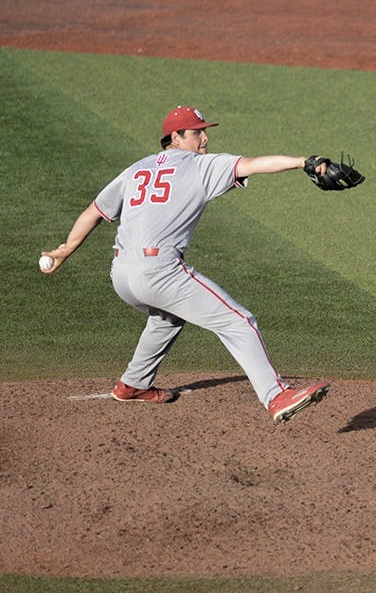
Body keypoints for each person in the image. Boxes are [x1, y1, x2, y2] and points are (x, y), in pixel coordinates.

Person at [40, 106, 331, 423]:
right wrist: (305, 162)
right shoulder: (200, 165)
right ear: (176, 137)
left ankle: (134, 384)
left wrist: (65, 250)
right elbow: (254, 165)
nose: (205, 138)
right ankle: (276, 396)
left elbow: (94, 211)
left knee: (167, 318)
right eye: (197, 132)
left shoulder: (136, 169)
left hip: (121, 274)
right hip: (159, 271)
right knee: (238, 321)